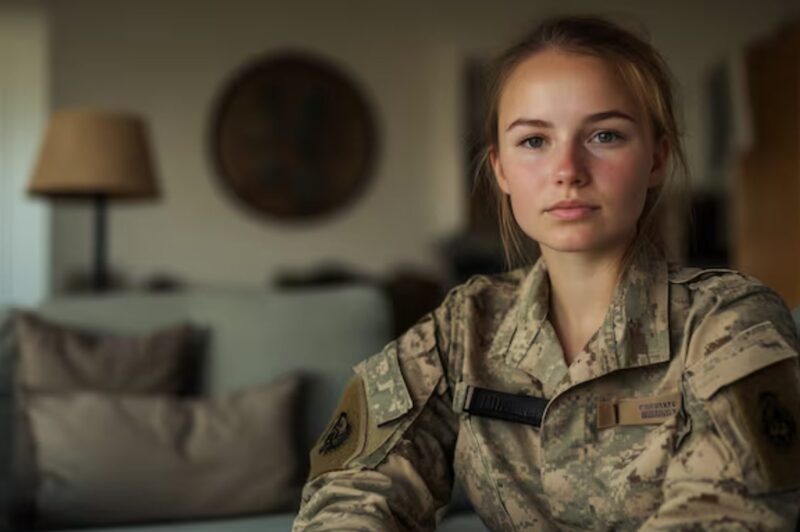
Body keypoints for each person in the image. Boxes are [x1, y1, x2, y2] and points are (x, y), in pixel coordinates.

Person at [293, 15, 800, 531]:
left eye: (605, 135)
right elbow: (352, 488)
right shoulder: (463, 326)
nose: (568, 170)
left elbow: (728, 516)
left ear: (656, 159)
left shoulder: (728, 321)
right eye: (534, 141)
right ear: (501, 169)